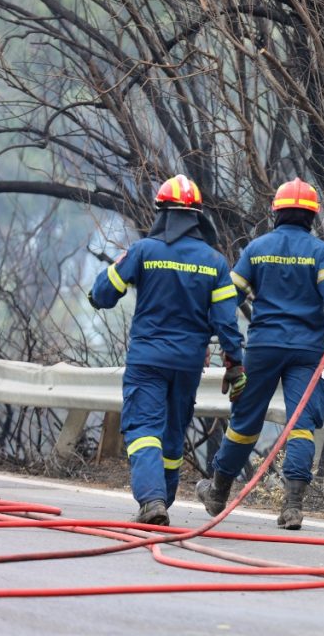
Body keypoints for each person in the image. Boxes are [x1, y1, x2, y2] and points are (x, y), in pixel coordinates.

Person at [197, 177, 324, 529]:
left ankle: (217, 492)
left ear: (276, 212)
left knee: (245, 422)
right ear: (312, 216)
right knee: (300, 425)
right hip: (305, 351)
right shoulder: (321, 252)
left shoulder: (256, 249)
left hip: (263, 347)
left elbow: (230, 296)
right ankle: (292, 507)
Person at [88, 174, 246, 525]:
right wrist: (235, 364)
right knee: (173, 432)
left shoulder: (144, 251)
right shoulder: (215, 262)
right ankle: (163, 499)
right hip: (189, 363)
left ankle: (152, 500)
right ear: (197, 216)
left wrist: (97, 293)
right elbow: (225, 321)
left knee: (144, 427)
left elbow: (104, 293)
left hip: (148, 359)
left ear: (161, 212)